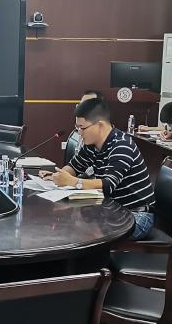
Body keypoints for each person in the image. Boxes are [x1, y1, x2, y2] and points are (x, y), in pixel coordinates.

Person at [48, 98, 155, 239]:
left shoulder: (121, 146)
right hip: (112, 211)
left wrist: (73, 182)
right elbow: (74, 166)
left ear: (100, 125)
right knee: (71, 226)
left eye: (82, 128)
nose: (79, 133)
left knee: (85, 235)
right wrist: (58, 176)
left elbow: (108, 185)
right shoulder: (92, 145)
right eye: (77, 128)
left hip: (136, 216)